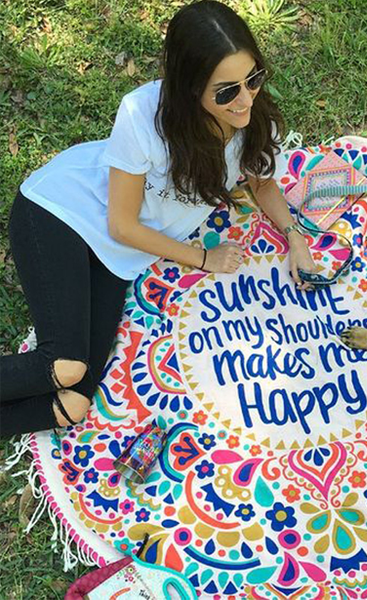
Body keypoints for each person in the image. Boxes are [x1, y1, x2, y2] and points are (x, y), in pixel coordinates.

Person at [0, 0, 315, 438]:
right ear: (191, 88)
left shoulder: (252, 118)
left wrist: (295, 239)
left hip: (119, 257)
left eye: (254, 78)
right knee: (64, 367)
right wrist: (203, 258)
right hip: (63, 214)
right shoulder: (141, 116)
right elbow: (121, 225)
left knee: (72, 406)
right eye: (227, 91)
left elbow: (261, 183)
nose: (245, 99)